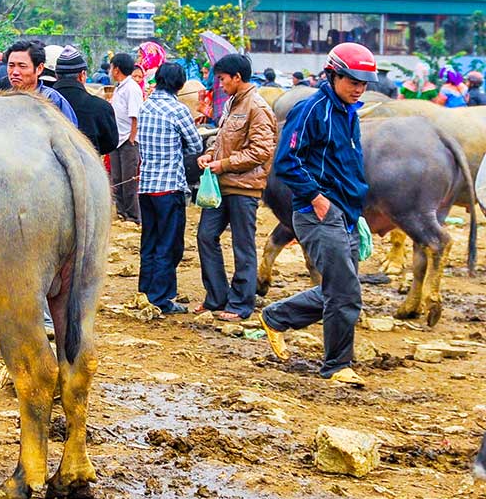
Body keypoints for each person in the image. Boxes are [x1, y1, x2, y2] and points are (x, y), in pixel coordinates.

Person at [261, 43, 377, 387]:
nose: (358, 88)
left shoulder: (350, 112)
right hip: (318, 212)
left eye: (363, 83)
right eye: (352, 80)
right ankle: (337, 365)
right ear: (332, 74)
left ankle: (277, 316)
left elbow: (350, 166)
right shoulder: (311, 109)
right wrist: (315, 196)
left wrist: (357, 209)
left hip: (347, 211)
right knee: (344, 293)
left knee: (343, 288)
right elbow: (286, 161)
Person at [195, 54, 276, 321]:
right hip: (222, 185)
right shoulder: (232, 105)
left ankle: (241, 304)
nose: (220, 84)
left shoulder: (257, 107)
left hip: (244, 187)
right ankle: (216, 297)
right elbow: (220, 138)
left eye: (222, 79)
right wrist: (210, 154)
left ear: (237, 78)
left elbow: (262, 150)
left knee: (243, 245)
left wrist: (225, 164)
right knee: (206, 236)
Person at [135, 62, 203, 315]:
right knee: (169, 243)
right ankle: (161, 298)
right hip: (169, 186)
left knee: (150, 240)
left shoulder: (146, 106)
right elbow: (196, 145)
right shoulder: (178, 110)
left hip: (146, 186)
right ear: (180, 84)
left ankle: (146, 289)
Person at [51, 46, 118, 156]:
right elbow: (110, 143)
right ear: (82, 75)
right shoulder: (101, 107)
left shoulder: (42, 103)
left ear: (56, 76)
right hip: (89, 169)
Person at [5, 40, 78, 126]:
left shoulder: (52, 100)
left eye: (22, 66)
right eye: (11, 66)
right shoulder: (3, 99)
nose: (15, 72)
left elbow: (71, 135)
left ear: (39, 68)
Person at [109, 52, 143, 224]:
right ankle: (121, 211)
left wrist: (132, 138)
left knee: (129, 180)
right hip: (118, 138)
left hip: (128, 141)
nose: (110, 70)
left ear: (117, 69)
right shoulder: (119, 87)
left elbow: (135, 115)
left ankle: (133, 216)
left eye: (111, 67)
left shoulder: (132, 88)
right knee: (117, 178)